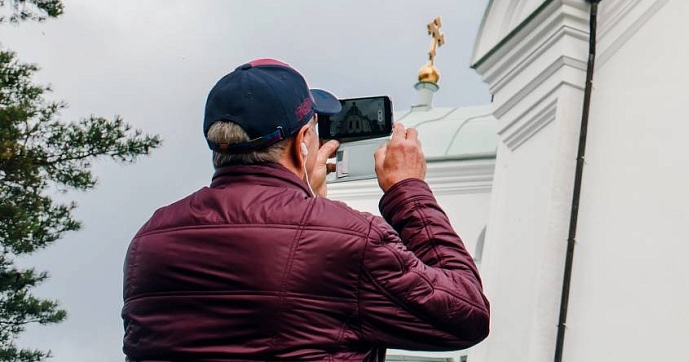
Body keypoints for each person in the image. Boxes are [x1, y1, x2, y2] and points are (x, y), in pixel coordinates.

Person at [122, 58, 490, 361]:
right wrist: (408, 191)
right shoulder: (351, 239)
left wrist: (310, 204)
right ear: (302, 143)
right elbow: (466, 314)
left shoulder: (151, 240)